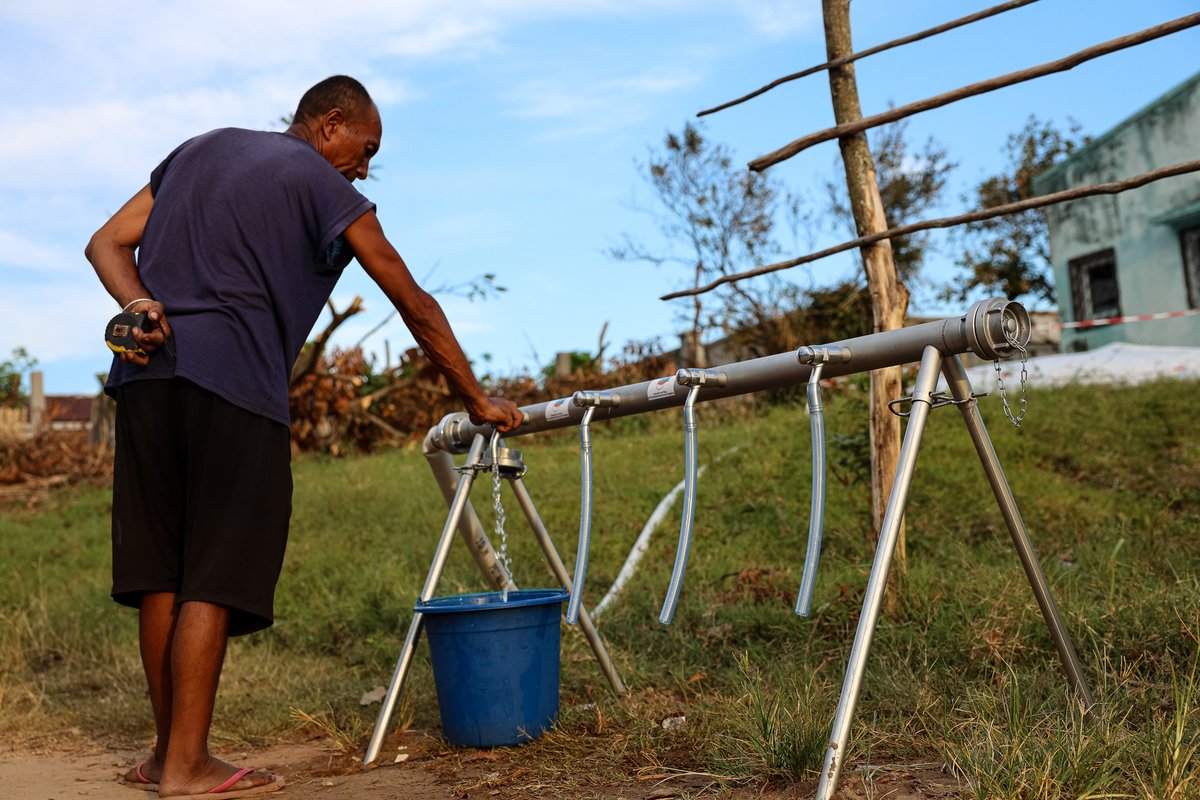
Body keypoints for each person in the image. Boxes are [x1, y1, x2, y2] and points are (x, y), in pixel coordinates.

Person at [85, 75, 523, 799]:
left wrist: (139, 302)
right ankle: (189, 767)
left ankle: (167, 757)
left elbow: (106, 243)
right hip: (234, 386)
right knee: (211, 573)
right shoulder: (321, 183)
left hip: (144, 379)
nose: (364, 166)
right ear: (329, 123)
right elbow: (410, 298)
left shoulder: (198, 151)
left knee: (160, 574)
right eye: (364, 147)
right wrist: (474, 398)